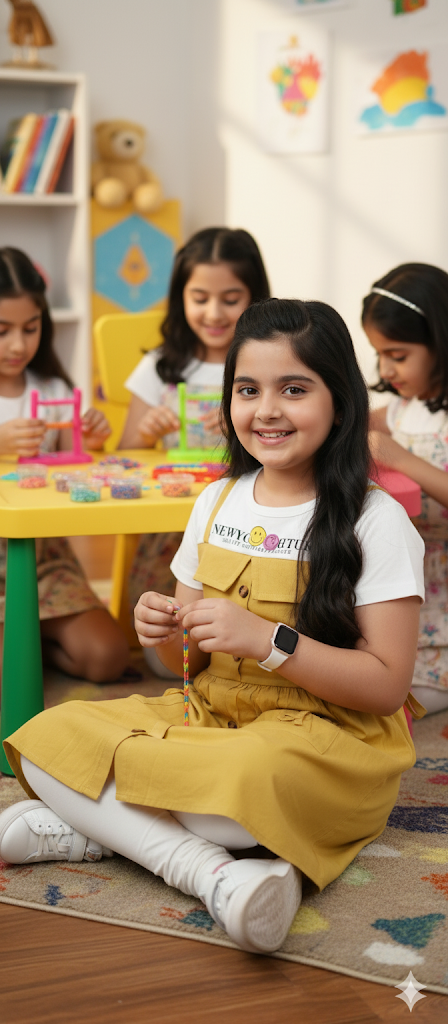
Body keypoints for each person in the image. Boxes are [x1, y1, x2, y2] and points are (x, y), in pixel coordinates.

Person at [0, 298, 424, 955]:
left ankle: (99, 829)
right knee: (49, 734)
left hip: (323, 739)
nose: (267, 410)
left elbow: (386, 688)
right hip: (213, 716)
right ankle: (208, 870)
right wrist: (162, 626)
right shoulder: (215, 500)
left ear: (338, 399)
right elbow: (189, 663)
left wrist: (269, 641)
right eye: (247, 390)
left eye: (294, 389)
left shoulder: (376, 520)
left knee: (233, 785)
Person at [118, 226, 270, 664]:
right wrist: (146, 431)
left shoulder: (263, 365)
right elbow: (125, 452)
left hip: (246, 525)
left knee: (242, 632)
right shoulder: (161, 367)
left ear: (255, 297)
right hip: (170, 527)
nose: (214, 312)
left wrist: (247, 420)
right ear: (180, 297)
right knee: (171, 658)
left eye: (231, 297)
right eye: (199, 297)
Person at [0, 247, 129, 682]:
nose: (19, 344)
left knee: (108, 657)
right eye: (2, 330)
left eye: (30, 328)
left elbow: (75, 466)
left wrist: (92, 440)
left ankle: (35, 647)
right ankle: (25, 648)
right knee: (10, 674)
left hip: (44, 561)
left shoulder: (51, 386)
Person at [363, 262, 448, 715]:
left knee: (397, 698)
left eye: (397, 355)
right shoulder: (400, 408)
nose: (385, 368)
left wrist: (401, 460)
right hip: (405, 575)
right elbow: (351, 421)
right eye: (379, 354)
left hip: (441, 584)